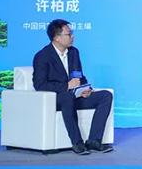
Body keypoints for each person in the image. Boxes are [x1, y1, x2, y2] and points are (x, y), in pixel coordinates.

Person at [32, 19, 113, 155]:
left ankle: (94, 141)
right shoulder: (42, 56)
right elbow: (40, 84)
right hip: (56, 99)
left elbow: (79, 76)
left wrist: (86, 89)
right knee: (67, 96)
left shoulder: (73, 52)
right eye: (69, 34)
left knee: (105, 96)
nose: (72, 37)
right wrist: (67, 86)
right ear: (57, 38)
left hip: (74, 96)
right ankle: (77, 142)